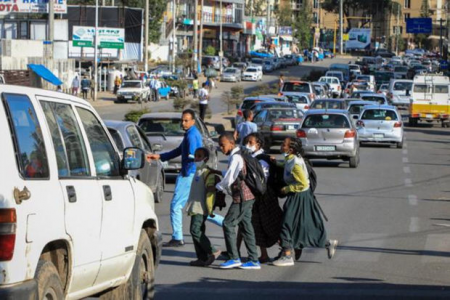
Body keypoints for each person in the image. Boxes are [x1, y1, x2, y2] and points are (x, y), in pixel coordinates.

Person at [272, 137, 338, 267]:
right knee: (300, 227)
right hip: (299, 195)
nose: (281, 146)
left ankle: (287, 255)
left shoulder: (295, 162)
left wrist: (287, 188)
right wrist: (276, 163)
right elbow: (286, 165)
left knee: (285, 224)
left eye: (283, 144)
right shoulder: (291, 158)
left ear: (290, 149)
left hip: (299, 196)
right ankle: (326, 243)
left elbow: (302, 183)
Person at [147, 109, 203, 247]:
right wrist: (160, 156)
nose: (183, 123)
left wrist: (186, 170)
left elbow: (193, 155)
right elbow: (179, 150)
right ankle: (227, 224)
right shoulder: (190, 133)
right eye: (182, 120)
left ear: (193, 121)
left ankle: (178, 237)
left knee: (176, 206)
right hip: (190, 173)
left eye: (186, 120)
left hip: (188, 173)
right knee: (200, 208)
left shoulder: (192, 135)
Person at [215, 133, 260, 270]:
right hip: (248, 195)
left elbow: (230, 177)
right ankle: (253, 259)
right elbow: (235, 173)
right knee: (246, 226)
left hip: (242, 197)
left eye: (223, 145)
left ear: (231, 143)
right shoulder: (239, 154)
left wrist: (218, 187)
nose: (221, 148)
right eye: (220, 146)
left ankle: (234, 257)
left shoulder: (236, 157)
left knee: (228, 223)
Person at [237, 133, 283, 263]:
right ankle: (239, 251)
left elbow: (261, 180)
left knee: (270, 224)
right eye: (246, 142)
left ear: (259, 144)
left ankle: (288, 248)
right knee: (251, 223)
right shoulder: (250, 157)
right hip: (255, 195)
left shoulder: (262, 160)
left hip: (263, 195)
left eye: (251, 142)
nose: (248, 145)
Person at [185, 147, 221, 267]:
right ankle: (202, 258)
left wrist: (213, 188)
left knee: (195, 230)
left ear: (205, 158)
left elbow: (211, 188)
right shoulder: (197, 170)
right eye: (195, 155)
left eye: (199, 156)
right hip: (194, 206)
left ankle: (213, 250)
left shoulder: (206, 171)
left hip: (201, 207)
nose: (196, 158)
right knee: (197, 231)